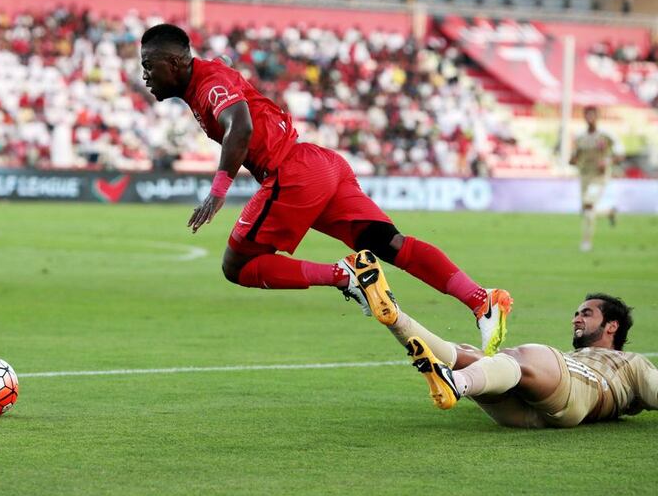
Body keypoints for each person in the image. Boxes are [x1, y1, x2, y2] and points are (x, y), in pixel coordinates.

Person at [140, 23, 512, 354]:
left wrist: (218, 190)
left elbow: (241, 126)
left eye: (148, 66)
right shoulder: (205, 76)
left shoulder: (209, 85)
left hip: (292, 172)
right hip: (321, 165)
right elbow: (222, 71)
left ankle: (346, 275)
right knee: (388, 243)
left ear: (173, 64)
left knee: (236, 266)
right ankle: (481, 300)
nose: (145, 76)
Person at [368, 259, 656, 427]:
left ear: (612, 326)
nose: (576, 319)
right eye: (576, 313)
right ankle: (395, 317)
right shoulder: (575, 358)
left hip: (586, 393)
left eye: (587, 313)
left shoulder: (632, 362)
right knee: (470, 354)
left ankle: (454, 383)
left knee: (528, 355)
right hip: (526, 416)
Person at [569, 106, 624, 252]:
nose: (590, 118)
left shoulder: (606, 136)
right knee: (586, 210)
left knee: (588, 205)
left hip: (599, 177)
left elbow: (620, 154)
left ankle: (586, 242)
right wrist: (573, 160)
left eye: (592, 115)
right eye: (587, 115)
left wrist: (607, 161)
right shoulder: (580, 137)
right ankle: (609, 212)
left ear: (597, 117)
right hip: (584, 175)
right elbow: (574, 157)